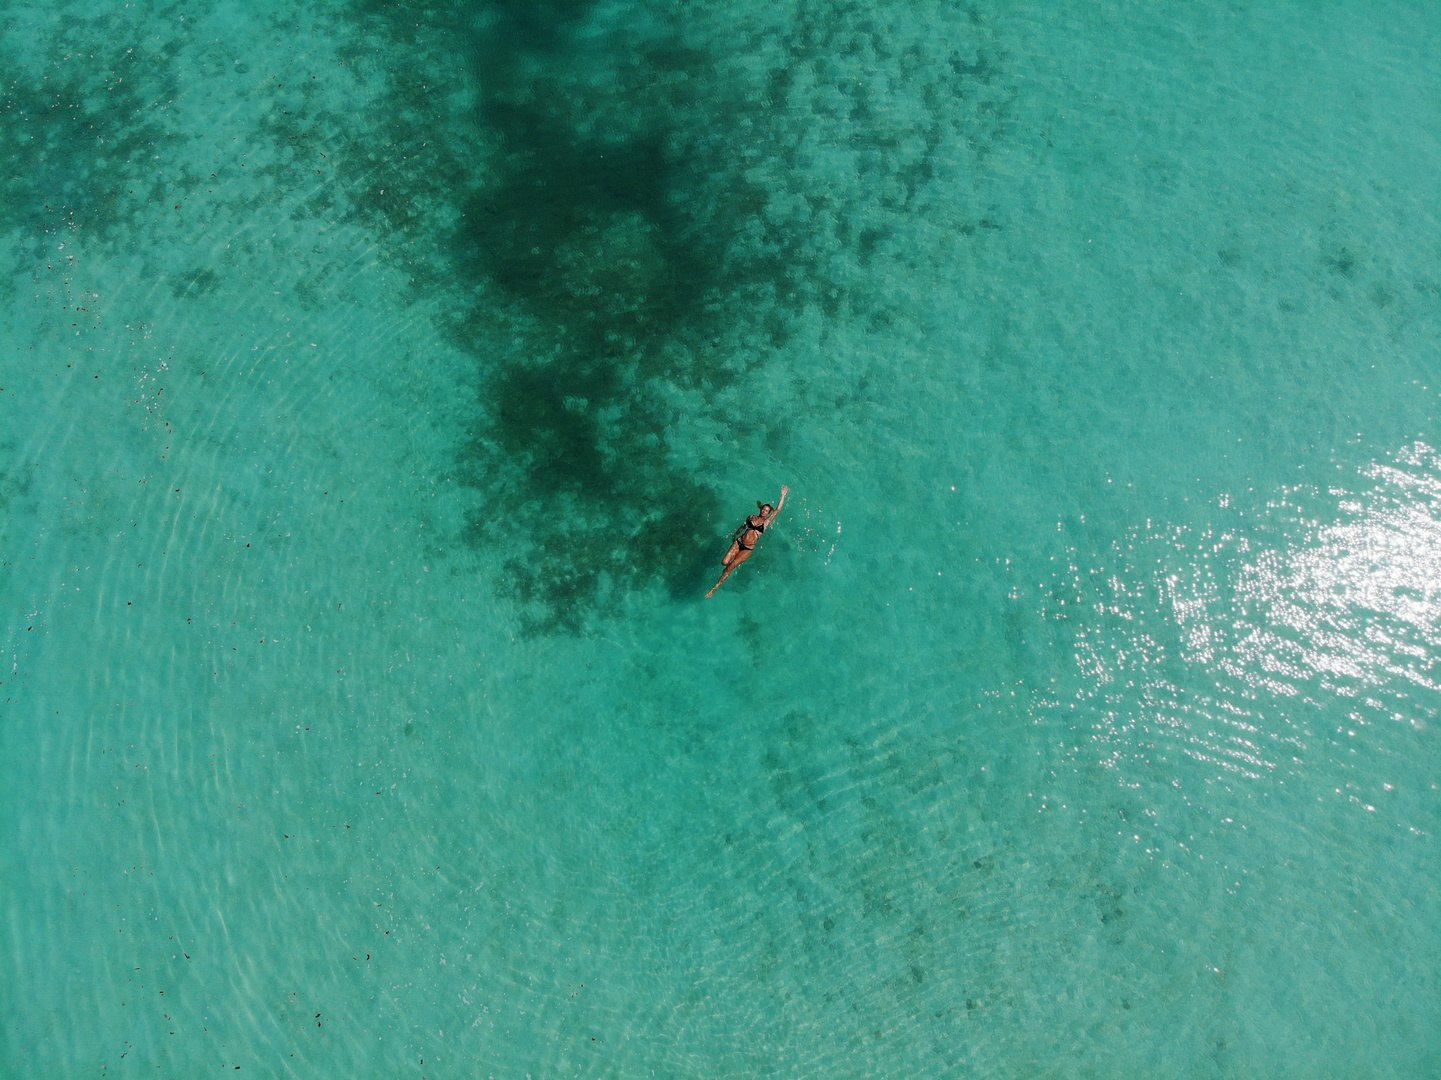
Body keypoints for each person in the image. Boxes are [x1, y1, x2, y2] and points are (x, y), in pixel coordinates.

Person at [706, 485, 789, 598]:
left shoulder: (767, 522)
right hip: (739, 542)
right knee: (725, 562)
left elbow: (778, 510)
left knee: (731, 565)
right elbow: (743, 526)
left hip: (748, 548)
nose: (764, 511)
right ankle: (727, 571)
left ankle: (715, 587)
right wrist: (735, 534)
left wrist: (783, 495)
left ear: (769, 513)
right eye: (763, 509)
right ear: (760, 509)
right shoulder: (751, 517)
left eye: (767, 511)